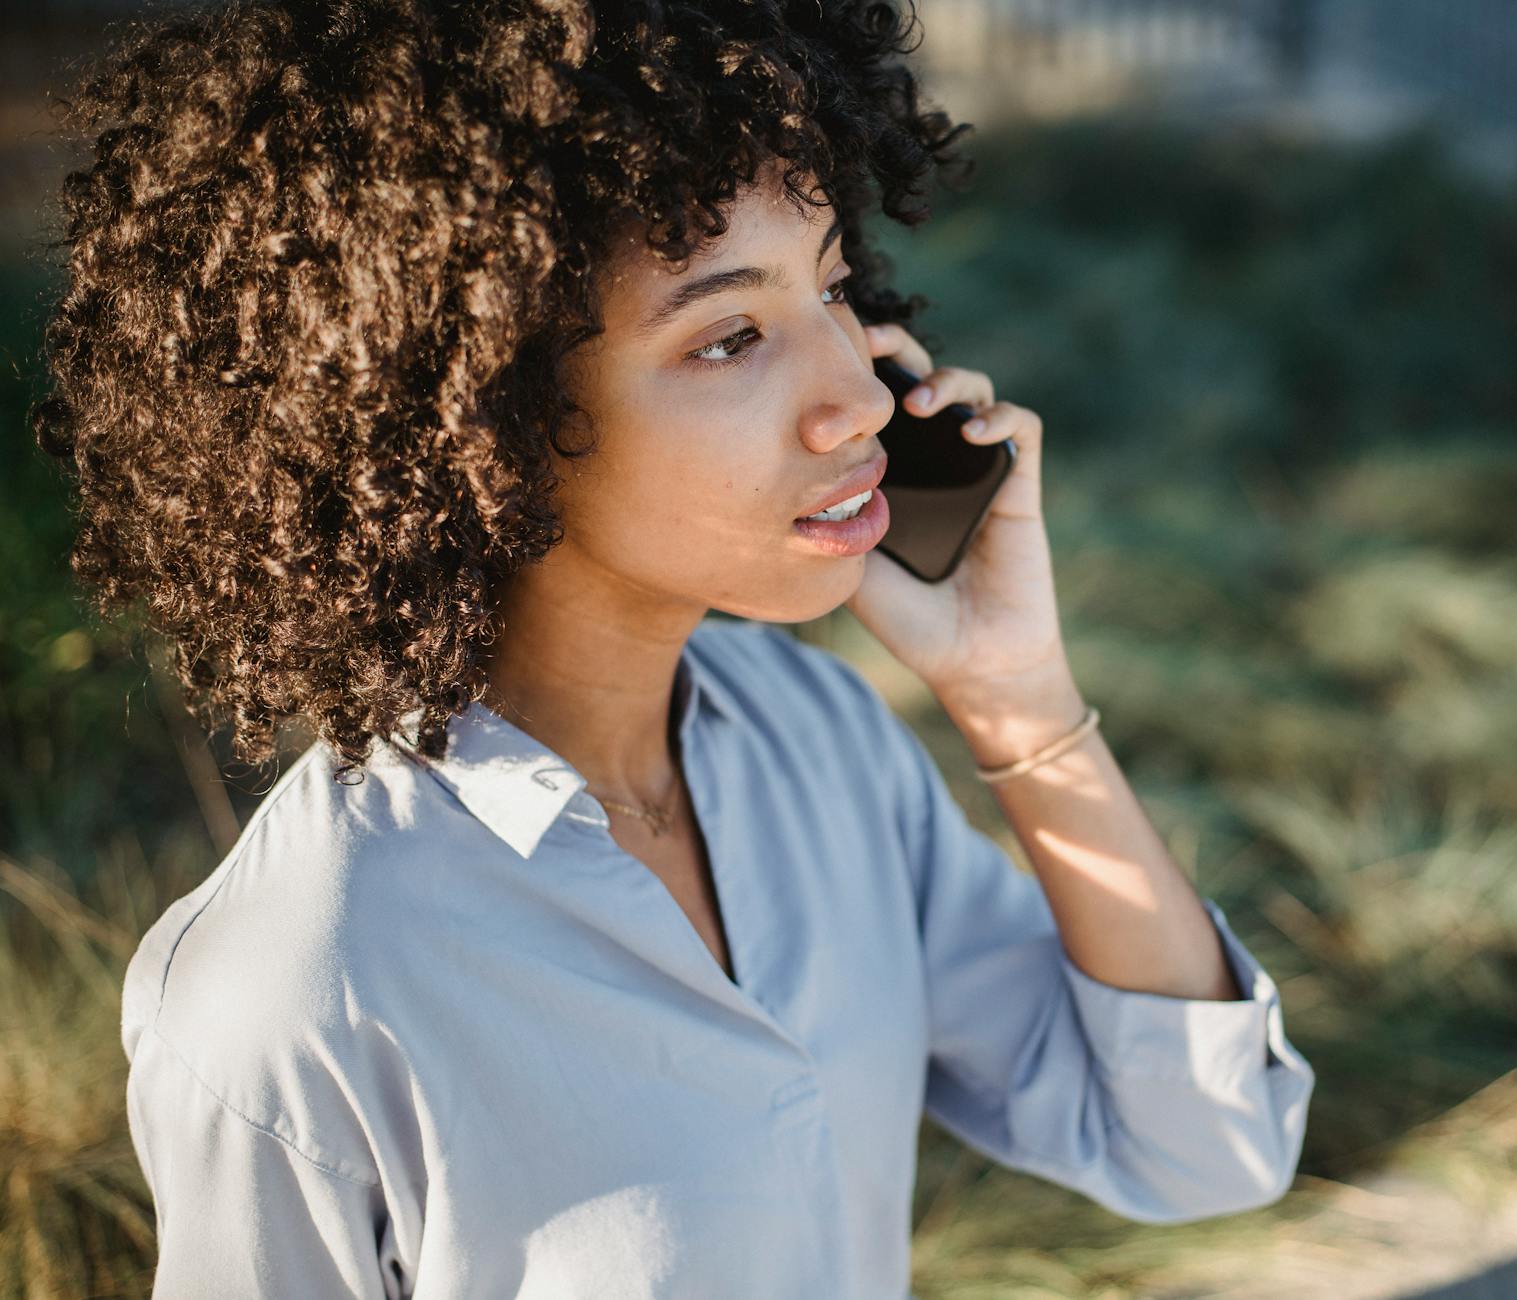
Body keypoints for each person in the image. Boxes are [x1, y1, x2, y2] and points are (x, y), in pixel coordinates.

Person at [31, 0, 1315, 1294]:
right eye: (729, 336)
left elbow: (1202, 1145)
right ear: (478, 424)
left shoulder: (818, 747)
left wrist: (1015, 695)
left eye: (827, 284)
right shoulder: (300, 988)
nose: (861, 395)